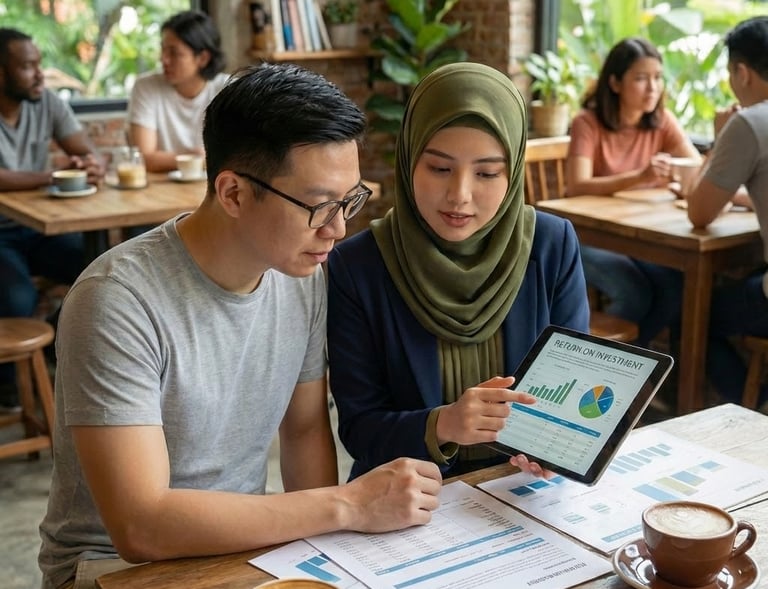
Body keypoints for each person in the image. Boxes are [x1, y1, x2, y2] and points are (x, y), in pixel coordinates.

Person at [38, 63, 442, 589]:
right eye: (320, 206)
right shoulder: (116, 300)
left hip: (243, 553)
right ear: (232, 193)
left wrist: (327, 563)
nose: (339, 229)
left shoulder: (301, 273)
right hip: (111, 569)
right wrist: (346, 505)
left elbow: (302, 432)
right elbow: (141, 525)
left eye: (350, 201)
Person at [327, 62, 590, 480]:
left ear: (513, 171)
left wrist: (555, 444)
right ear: (410, 157)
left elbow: (573, 389)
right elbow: (360, 430)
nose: (459, 195)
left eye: (486, 173)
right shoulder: (359, 266)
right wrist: (444, 424)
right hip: (408, 495)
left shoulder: (551, 244)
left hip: (518, 486)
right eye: (439, 168)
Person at [565, 37, 701, 347]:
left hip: (637, 239)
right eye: (641, 78)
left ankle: (634, 370)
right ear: (614, 82)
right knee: (634, 292)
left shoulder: (662, 122)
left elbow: (695, 163)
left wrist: (684, 181)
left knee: (674, 286)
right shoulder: (587, 123)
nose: (652, 88)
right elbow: (577, 185)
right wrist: (640, 176)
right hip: (587, 237)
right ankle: (601, 371)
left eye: (657, 77)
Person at [0, 27, 104, 411]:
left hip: (39, 228)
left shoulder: (45, 101)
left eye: (38, 64)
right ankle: (11, 387)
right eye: (27, 67)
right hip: (2, 235)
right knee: (16, 295)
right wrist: (51, 176)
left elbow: (86, 149)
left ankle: (60, 345)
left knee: (98, 267)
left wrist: (89, 164)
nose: (40, 75)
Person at [684, 16, 768, 410]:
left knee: (695, 317)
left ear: (742, 71)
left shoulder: (750, 122)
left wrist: (719, 138)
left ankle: (755, 413)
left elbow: (699, 213)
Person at [127, 10, 228, 173]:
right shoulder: (146, 87)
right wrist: (196, 158)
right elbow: (144, 158)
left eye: (174, 53)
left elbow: (242, 157)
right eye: (163, 49)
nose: (163, 59)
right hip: (162, 188)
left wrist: (177, 159)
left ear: (203, 58)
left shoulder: (228, 89)